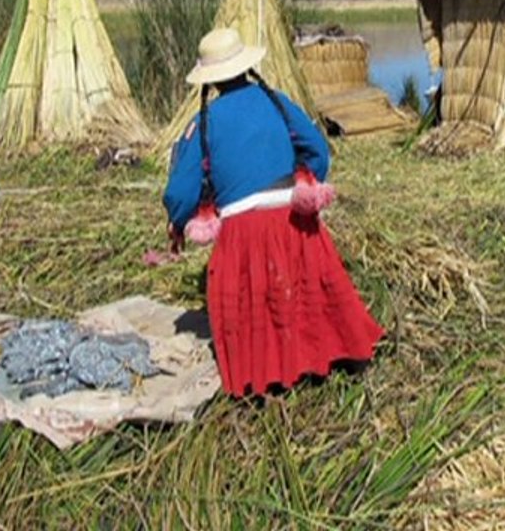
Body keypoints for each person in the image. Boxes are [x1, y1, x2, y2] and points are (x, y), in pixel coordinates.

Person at [163, 27, 384, 398]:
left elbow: (179, 193)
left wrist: (180, 219)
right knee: (305, 286)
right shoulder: (275, 100)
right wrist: (300, 183)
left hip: (243, 232)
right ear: (245, 66)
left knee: (253, 297)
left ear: (209, 80)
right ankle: (329, 355)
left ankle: (267, 374)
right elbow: (317, 150)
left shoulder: (204, 121)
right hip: (292, 217)